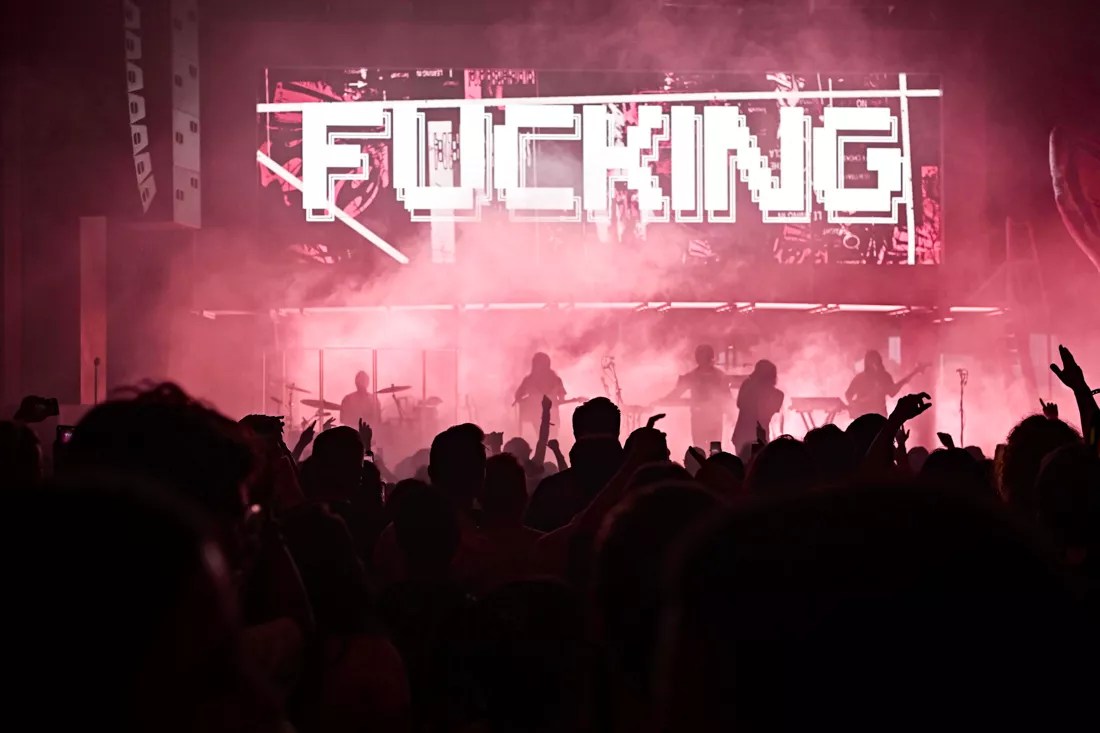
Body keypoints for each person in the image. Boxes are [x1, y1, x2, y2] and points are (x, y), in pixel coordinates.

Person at [660, 345, 736, 449]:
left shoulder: (719, 376)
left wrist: (732, 414)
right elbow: (676, 393)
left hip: (713, 420)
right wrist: (662, 401)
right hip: (700, 419)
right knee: (701, 448)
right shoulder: (695, 376)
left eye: (703, 357)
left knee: (712, 449)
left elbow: (726, 398)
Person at [845, 350, 927, 418]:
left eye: (876, 361)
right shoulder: (860, 378)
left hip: (879, 417)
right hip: (862, 417)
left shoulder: (884, 377)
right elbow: (848, 394)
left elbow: (892, 392)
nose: (874, 365)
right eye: (872, 362)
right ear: (867, 363)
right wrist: (854, 406)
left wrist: (914, 373)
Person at [730, 359, 784, 458]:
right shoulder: (778, 395)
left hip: (743, 435)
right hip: (759, 436)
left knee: (743, 463)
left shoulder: (747, 385)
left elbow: (740, 404)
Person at [514, 352, 567, 439]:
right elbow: (518, 395)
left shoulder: (555, 380)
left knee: (547, 438)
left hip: (550, 415)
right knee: (546, 439)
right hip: (539, 416)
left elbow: (561, 397)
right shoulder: (530, 380)